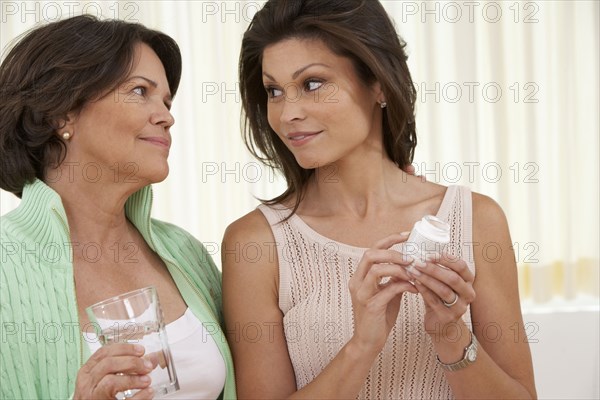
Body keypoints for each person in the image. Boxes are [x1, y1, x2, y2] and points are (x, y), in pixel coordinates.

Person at [222, 0, 537, 399]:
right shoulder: (255, 244)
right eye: (274, 91)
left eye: (312, 84)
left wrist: (450, 334)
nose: (288, 113)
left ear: (380, 84)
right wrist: (362, 346)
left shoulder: (476, 220)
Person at [0, 15, 235, 399]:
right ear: (62, 111)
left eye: (166, 100)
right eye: (140, 91)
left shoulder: (186, 254)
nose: (167, 116)